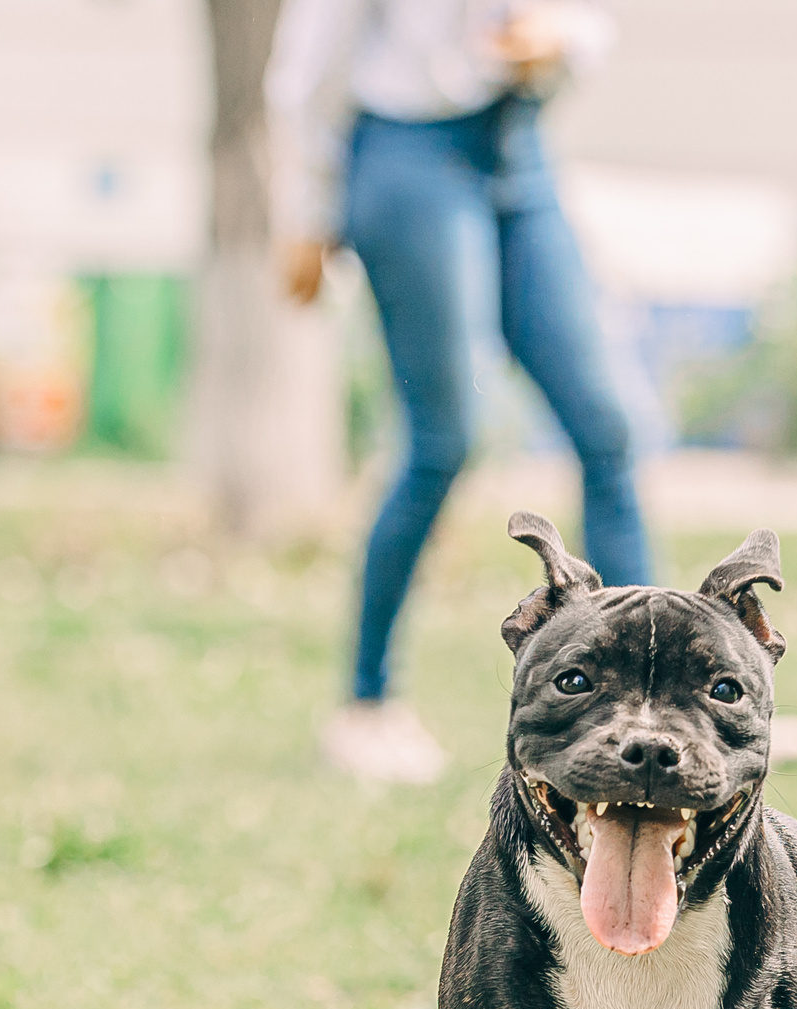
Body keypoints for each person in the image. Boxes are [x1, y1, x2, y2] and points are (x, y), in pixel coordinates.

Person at [268, 0, 654, 784]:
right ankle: (366, 706)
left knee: (606, 427)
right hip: (408, 155)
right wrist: (309, 210)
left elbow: (583, 22)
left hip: (517, 149)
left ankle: (655, 693)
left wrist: (563, 41)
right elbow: (305, 69)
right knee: (442, 440)